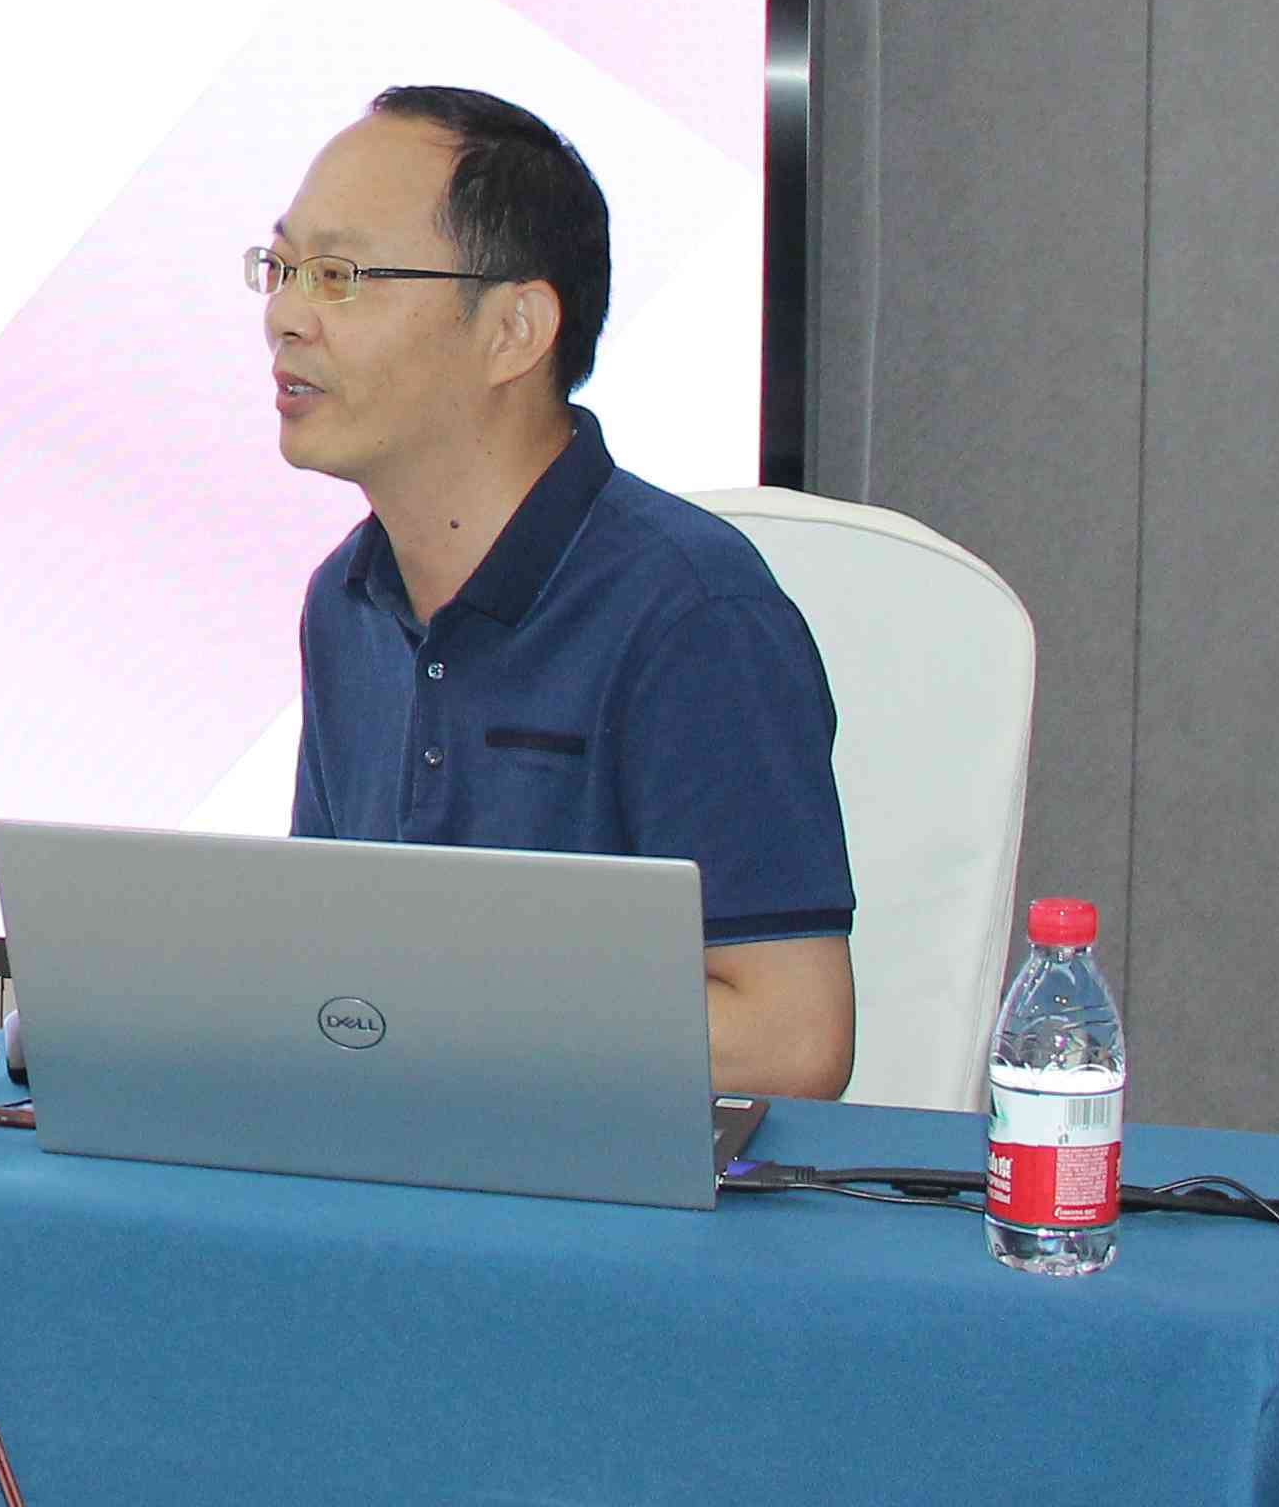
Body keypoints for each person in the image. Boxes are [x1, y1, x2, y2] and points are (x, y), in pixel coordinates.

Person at [267, 84, 855, 1099]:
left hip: (606, 1188)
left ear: (514, 329)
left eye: (340, 276)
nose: (285, 316)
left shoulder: (693, 615)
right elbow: (333, 962)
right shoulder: (346, 601)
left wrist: (444, 1011)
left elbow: (794, 1040)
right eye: (279, 269)